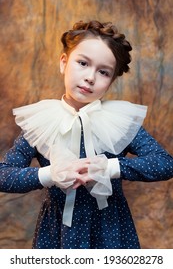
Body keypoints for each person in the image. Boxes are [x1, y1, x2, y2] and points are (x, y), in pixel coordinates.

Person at [0, 20, 173, 249]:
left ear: (111, 81)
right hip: (57, 234)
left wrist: (110, 168)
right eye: (82, 63)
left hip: (111, 230)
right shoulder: (41, 123)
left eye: (103, 72)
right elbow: (4, 175)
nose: (90, 77)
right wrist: (50, 174)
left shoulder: (119, 123)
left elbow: (164, 163)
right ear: (64, 62)